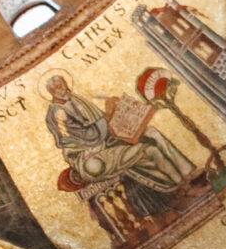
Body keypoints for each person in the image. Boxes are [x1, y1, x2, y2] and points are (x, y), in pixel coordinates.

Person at [43, 73, 197, 223]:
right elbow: (90, 136)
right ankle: (179, 187)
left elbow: (100, 121)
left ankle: (187, 173)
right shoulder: (58, 113)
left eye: (63, 84)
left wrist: (119, 113)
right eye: (58, 87)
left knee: (152, 132)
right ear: (52, 92)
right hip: (91, 156)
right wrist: (111, 114)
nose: (64, 89)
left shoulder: (75, 99)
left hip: (106, 142)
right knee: (148, 149)